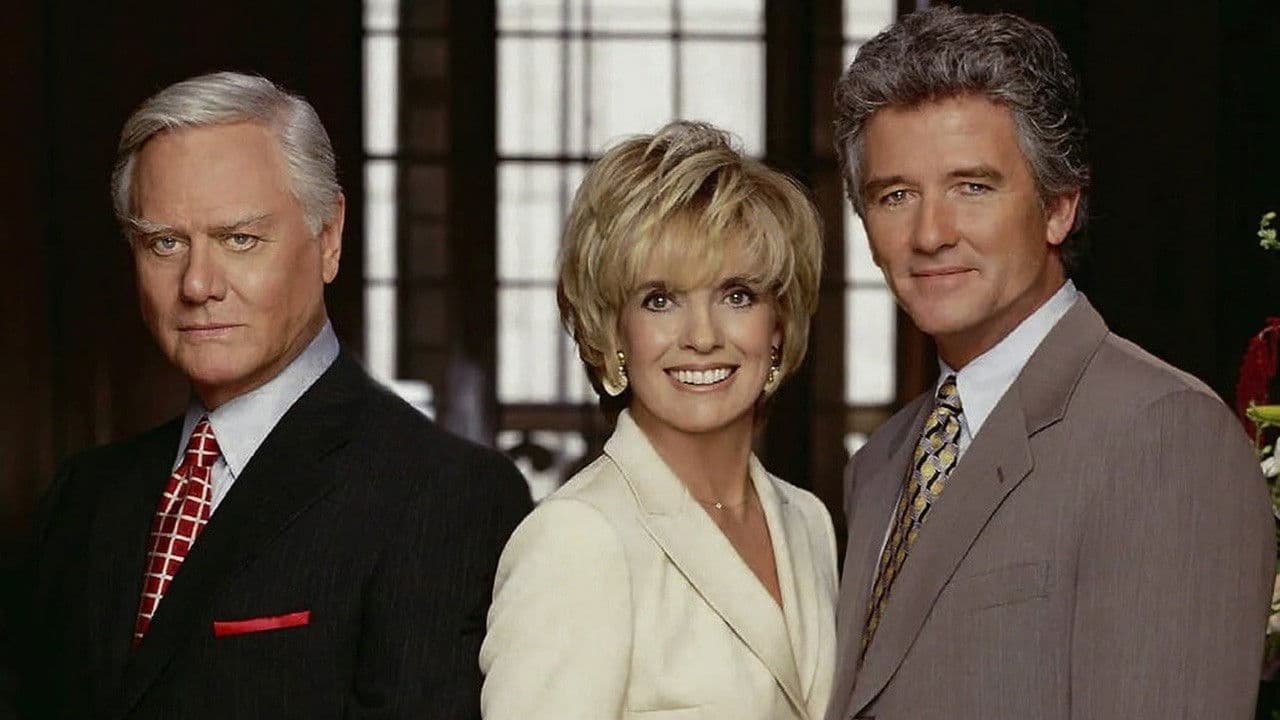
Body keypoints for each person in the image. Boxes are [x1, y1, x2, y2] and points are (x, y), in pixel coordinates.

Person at [11, 71, 531, 719]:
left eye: (240, 239)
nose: (198, 284)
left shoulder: (446, 494)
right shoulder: (83, 496)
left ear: (329, 237)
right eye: (165, 243)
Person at [825, 7, 1274, 720]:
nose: (930, 233)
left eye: (972, 186)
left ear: (1059, 207)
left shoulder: (1165, 435)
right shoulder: (880, 465)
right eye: (896, 195)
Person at [479, 121, 835, 719]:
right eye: (660, 300)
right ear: (613, 334)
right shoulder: (577, 539)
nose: (703, 336)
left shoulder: (808, 522)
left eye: (738, 295)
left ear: (777, 328)